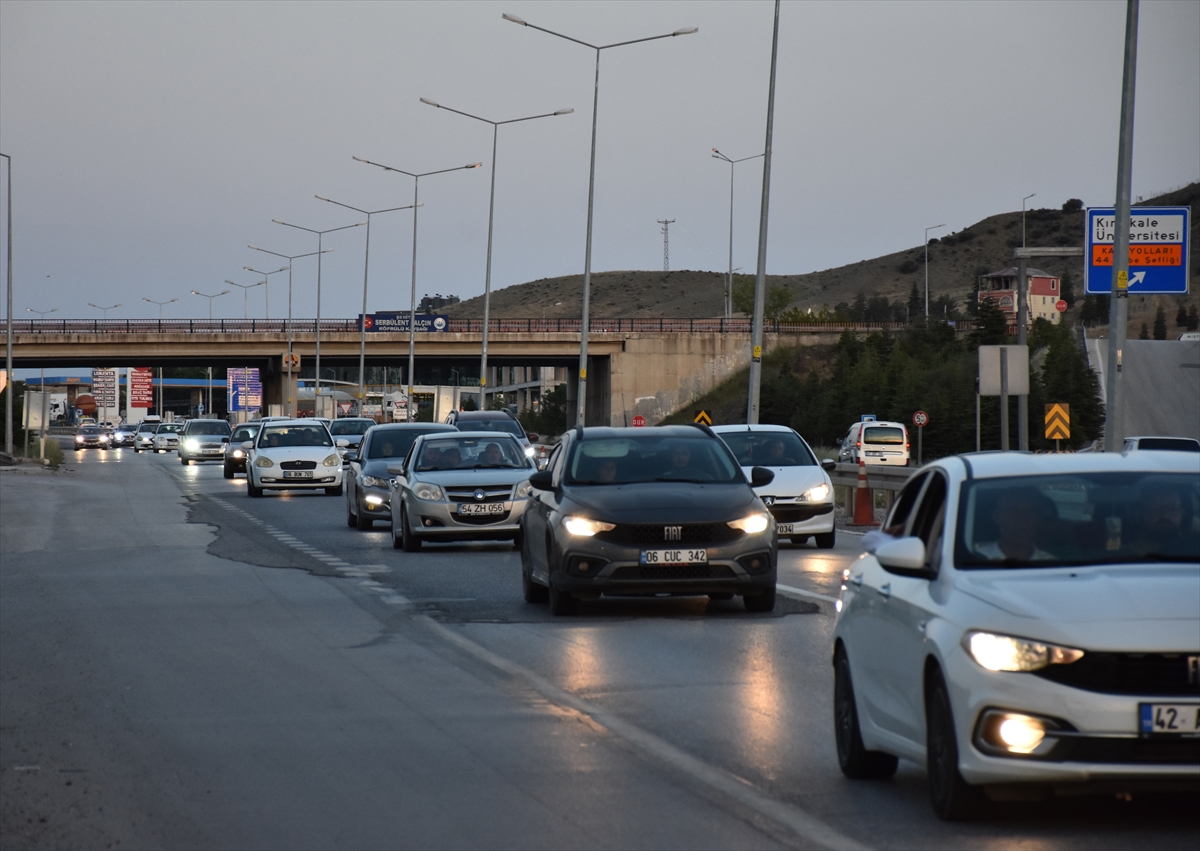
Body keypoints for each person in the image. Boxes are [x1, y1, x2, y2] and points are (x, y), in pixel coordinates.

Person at [972, 488, 1055, 562]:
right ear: (997, 517)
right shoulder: (975, 560)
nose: (1022, 518)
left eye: (1030, 511)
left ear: (1039, 519)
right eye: (1013, 510)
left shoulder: (1051, 564)